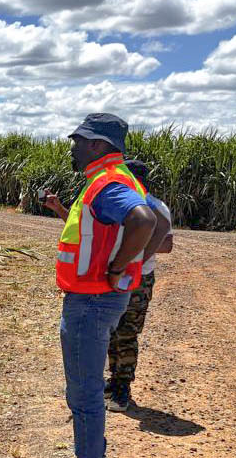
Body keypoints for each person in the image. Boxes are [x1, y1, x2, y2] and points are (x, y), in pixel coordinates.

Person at [32, 113, 158, 458]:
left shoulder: (108, 182)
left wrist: (120, 266)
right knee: (85, 394)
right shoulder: (115, 179)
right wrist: (127, 266)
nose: (73, 146)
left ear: (99, 146)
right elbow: (153, 229)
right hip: (98, 298)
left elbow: (145, 221)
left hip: (91, 302)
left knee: (84, 396)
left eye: (80, 140)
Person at [45, 160, 173, 412]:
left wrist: (132, 257)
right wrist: (59, 208)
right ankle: (109, 382)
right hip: (106, 277)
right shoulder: (110, 201)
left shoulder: (154, 207)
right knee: (105, 331)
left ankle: (122, 387)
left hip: (136, 279)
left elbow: (166, 243)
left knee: (126, 333)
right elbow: (83, 231)